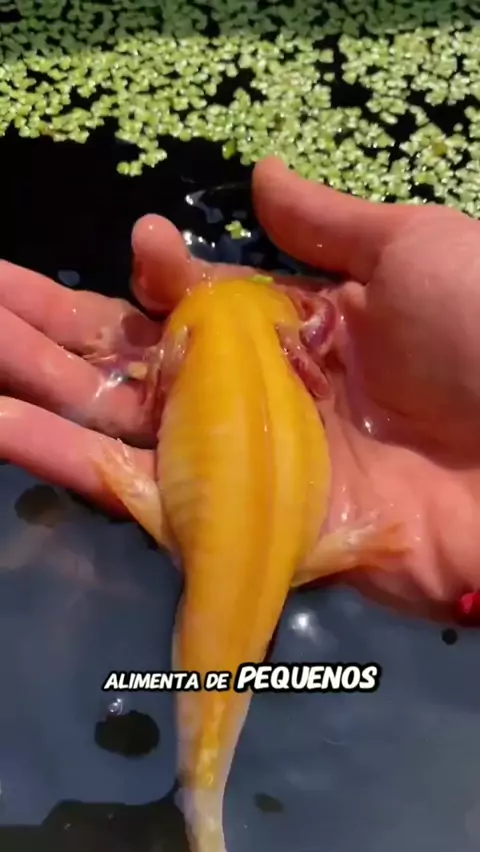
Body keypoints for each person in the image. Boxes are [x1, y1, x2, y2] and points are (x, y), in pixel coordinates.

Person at [0, 155, 478, 620]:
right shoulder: (283, 351)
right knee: (274, 559)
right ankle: (346, 547)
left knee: (225, 545)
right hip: (297, 542)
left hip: (268, 538)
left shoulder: (193, 336)